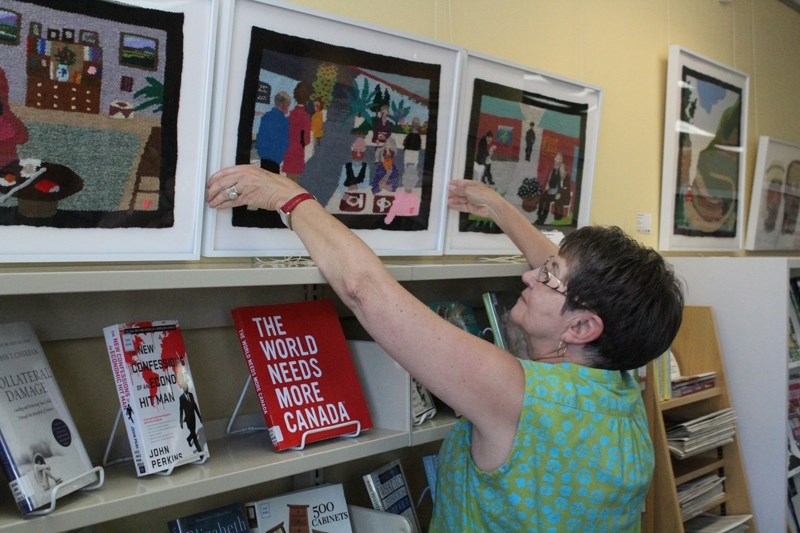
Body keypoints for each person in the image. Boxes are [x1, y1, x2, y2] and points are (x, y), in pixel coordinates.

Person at [206, 168, 684, 532]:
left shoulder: (515, 394)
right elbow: (570, 279)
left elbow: (363, 289)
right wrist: (496, 207)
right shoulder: (621, 382)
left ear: (582, 326)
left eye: (545, 276)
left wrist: (287, 197)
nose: (528, 275)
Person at [255, 91, 291, 173]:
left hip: (264, 155)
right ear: (283, 105)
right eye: (288, 105)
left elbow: (261, 137)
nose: (288, 108)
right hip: (275, 158)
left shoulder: (266, 116)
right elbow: (284, 141)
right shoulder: (284, 121)